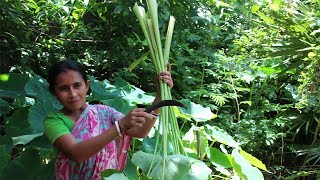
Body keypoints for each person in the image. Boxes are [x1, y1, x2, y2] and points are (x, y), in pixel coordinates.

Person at [44, 60, 173, 179]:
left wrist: (160, 95)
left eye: (77, 85)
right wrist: (120, 127)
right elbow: (76, 154)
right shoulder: (54, 121)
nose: (72, 94)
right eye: (63, 89)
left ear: (87, 85)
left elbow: (140, 132)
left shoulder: (104, 112)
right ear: (54, 92)